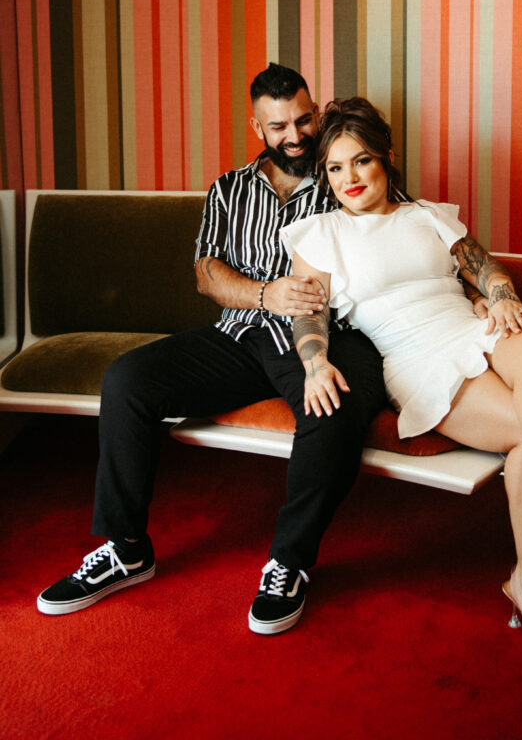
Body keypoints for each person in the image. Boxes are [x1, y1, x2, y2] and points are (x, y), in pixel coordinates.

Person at [36, 66, 400, 635]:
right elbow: (206, 274)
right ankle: (126, 547)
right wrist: (263, 292)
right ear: (257, 126)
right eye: (279, 125)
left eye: (304, 119)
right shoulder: (228, 190)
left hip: (325, 335)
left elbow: (402, 230)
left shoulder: (342, 172)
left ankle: (290, 563)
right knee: (127, 380)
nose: (296, 135)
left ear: (317, 114)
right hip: (240, 334)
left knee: (333, 406)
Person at [281, 97, 522, 659]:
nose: (348, 178)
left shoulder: (427, 215)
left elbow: (485, 268)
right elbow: (308, 311)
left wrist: (497, 300)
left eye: (361, 161)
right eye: (334, 167)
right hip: (418, 358)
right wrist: (314, 361)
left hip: (469, 328)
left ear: (387, 158)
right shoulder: (320, 233)